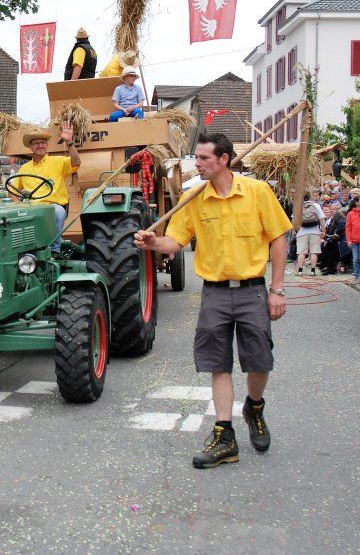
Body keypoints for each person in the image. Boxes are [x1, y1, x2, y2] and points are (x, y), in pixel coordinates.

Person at [135, 133, 290, 469]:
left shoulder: (257, 193)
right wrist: (151, 243)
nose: (198, 164)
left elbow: (279, 238)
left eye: (204, 158)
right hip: (215, 293)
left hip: (252, 290)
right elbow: (174, 243)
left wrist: (277, 290)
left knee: (259, 360)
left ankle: (255, 406)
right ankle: (225, 435)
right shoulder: (193, 198)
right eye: (197, 158)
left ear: (224, 159)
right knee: (217, 363)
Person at [14, 122, 80, 253]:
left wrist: (70, 143)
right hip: (31, 208)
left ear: (46, 145)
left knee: (58, 212)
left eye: (43, 142)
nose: (40, 145)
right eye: (36, 143)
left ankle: (54, 250)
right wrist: (16, 205)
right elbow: (13, 188)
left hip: (53, 206)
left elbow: (76, 162)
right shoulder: (24, 168)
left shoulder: (58, 161)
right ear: (31, 147)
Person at [295, 192, 325, 275]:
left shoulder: (298, 206)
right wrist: (323, 230)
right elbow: (321, 219)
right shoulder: (316, 205)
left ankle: (300, 271)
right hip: (315, 231)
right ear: (310, 197)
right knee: (314, 251)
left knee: (301, 251)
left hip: (302, 231)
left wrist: (294, 231)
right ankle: (312, 271)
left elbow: (294, 221)